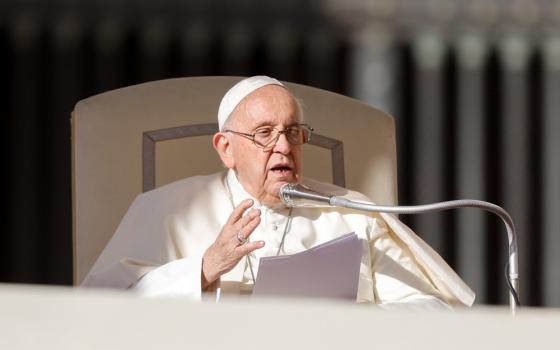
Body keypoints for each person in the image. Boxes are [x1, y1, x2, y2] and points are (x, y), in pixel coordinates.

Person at [82, 76, 474, 309]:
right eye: (264, 134)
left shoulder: (352, 213)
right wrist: (202, 271)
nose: (283, 147)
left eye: (292, 133)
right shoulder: (167, 209)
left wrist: (353, 328)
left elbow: (431, 308)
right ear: (225, 148)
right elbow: (99, 312)